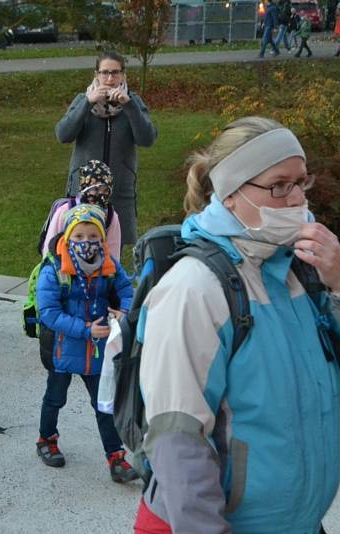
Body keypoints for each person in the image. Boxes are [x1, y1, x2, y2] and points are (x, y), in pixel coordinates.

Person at [134, 117, 340, 532]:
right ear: (230, 194)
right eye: (278, 185)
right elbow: (178, 440)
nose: (298, 198)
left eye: (302, 181)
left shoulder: (300, 269)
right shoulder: (194, 289)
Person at [34, 204, 139, 483]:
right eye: (78, 236)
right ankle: (46, 439)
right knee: (55, 398)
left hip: (98, 352)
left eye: (93, 236)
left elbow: (127, 291)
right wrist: (85, 329)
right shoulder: (54, 269)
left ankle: (116, 457)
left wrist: (124, 311)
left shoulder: (110, 265)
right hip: (64, 349)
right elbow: (49, 312)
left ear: (102, 238)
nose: (86, 242)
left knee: (103, 403)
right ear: (67, 236)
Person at [55, 50, 157, 252]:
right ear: (96, 75)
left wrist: (129, 107)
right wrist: (87, 103)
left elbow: (147, 139)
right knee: (80, 250)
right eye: (105, 73)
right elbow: (63, 135)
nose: (110, 78)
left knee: (113, 256)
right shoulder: (82, 100)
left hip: (119, 193)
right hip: (83, 193)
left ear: (123, 75)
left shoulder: (133, 102)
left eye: (115, 73)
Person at [41, 160, 122, 257]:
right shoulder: (65, 210)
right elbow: (50, 245)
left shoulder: (110, 216)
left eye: (105, 190)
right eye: (96, 189)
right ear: (84, 187)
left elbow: (113, 252)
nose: (101, 195)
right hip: (64, 266)